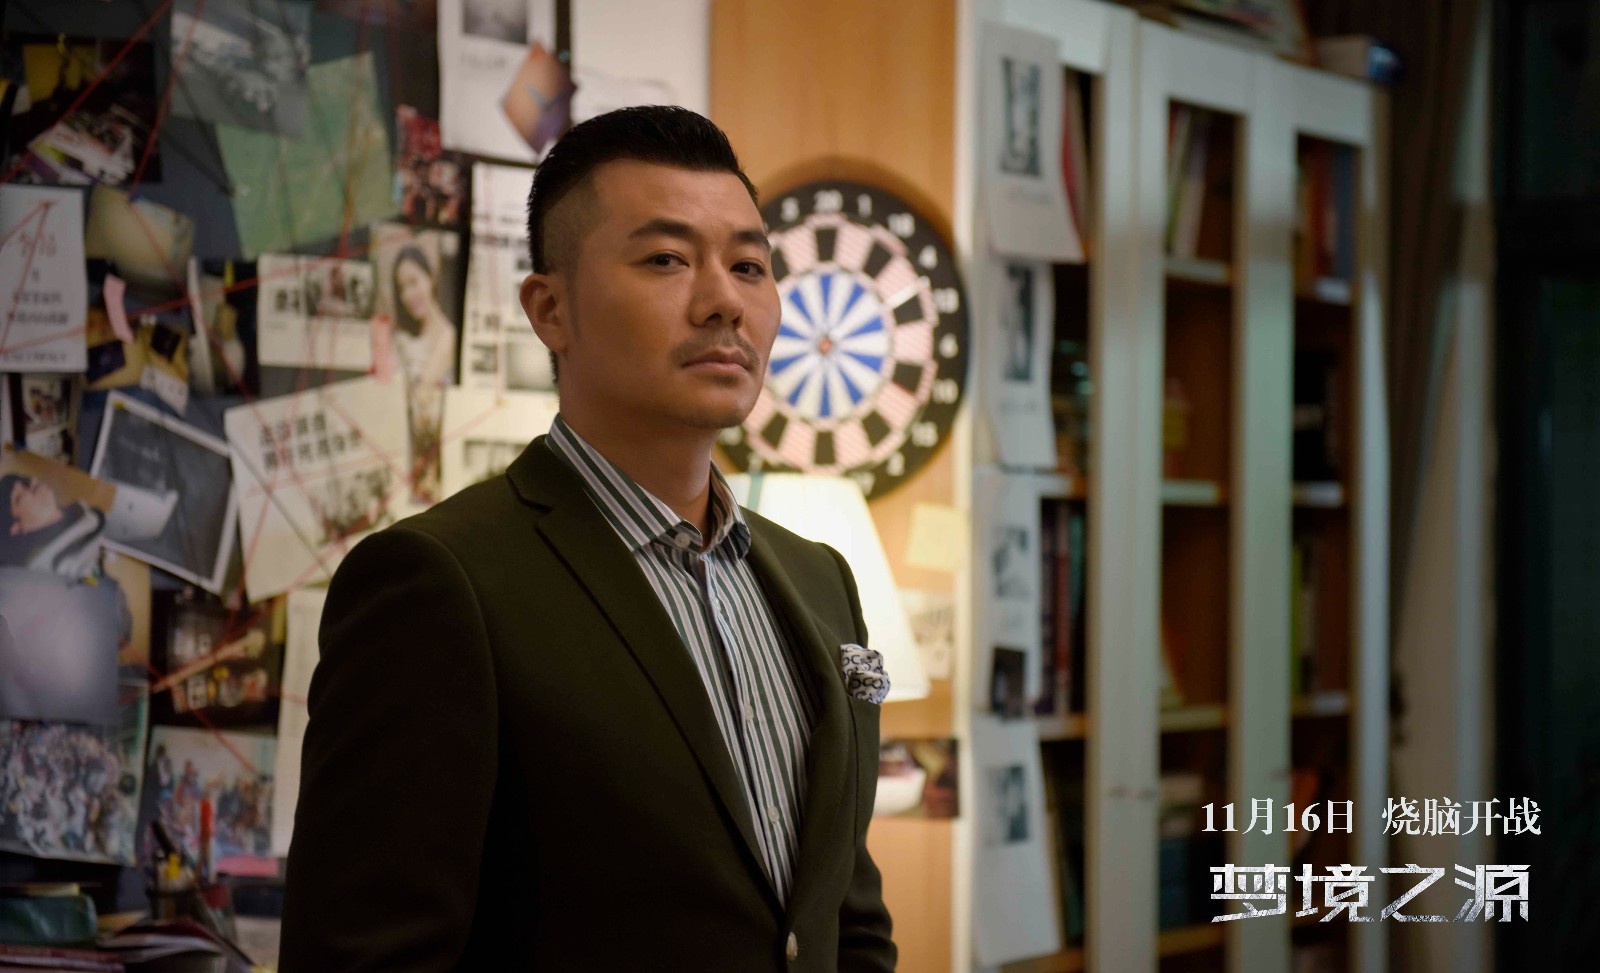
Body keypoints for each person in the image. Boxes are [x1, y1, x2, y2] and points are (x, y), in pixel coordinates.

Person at [281, 106, 897, 971]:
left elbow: (847, 922)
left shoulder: (820, 578)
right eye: (667, 259)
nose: (724, 300)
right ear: (550, 309)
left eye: (750, 265)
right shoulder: (439, 582)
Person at [382, 243, 459, 503]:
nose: (407, 295)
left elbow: (422, 397)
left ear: (430, 278)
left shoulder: (451, 338)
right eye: (402, 288)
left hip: (440, 466)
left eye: (413, 282)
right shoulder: (402, 341)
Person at [0, 473, 105, 578]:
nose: (31, 484)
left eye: (25, 482)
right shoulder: (45, 572)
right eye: (19, 497)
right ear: (17, 529)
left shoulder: (88, 513)